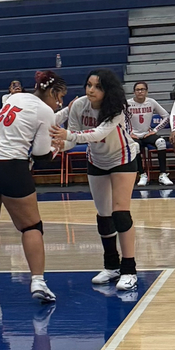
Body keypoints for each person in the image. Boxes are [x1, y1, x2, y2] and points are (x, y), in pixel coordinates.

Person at [0, 71, 67, 308]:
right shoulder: (45, 111)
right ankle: (38, 282)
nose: (60, 103)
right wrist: (59, 147)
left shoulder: (15, 98)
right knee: (31, 226)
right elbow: (41, 155)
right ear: (51, 92)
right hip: (10, 165)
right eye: (59, 97)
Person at [50, 69, 141, 292]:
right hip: (97, 160)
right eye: (89, 85)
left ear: (107, 90)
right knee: (103, 215)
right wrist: (60, 145)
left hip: (122, 158)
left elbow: (97, 134)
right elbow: (72, 137)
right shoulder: (79, 105)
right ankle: (111, 265)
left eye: (97, 86)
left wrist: (68, 137)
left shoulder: (116, 109)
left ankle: (129, 269)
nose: (91, 90)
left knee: (120, 212)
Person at [128, 81, 172, 187]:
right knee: (135, 146)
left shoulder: (151, 102)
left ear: (146, 91)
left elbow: (166, 116)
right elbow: (119, 119)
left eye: (142, 89)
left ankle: (163, 174)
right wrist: (128, 132)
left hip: (147, 133)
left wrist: (155, 130)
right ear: (134, 92)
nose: (140, 92)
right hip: (134, 134)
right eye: (137, 89)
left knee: (161, 142)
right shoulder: (127, 103)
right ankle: (142, 175)